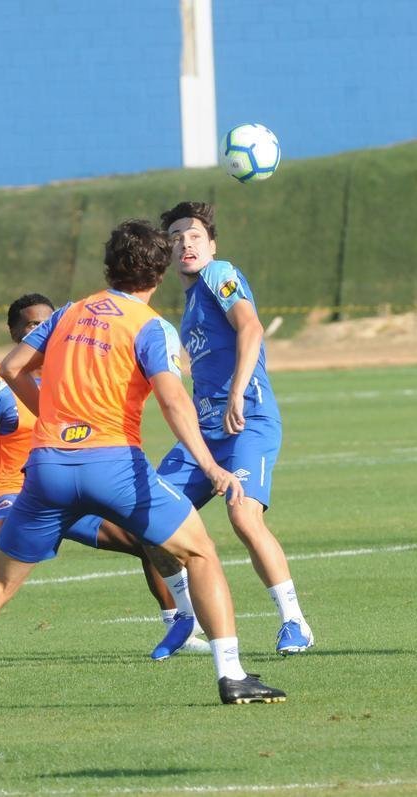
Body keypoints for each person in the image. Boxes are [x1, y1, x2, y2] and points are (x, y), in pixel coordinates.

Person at [0, 220, 285, 715]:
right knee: (200, 553)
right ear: (159, 273)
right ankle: (232, 675)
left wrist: (51, 417)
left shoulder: (67, 312)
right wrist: (211, 464)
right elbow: (173, 401)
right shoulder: (151, 326)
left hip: (47, 469)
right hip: (114, 465)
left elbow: (10, 368)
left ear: (108, 265)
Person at [0, 294, 204, 651]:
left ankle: (178, 625)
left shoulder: (75, 370)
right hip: (15, 488)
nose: (41, 328)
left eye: (47, 321)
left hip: (76, 478)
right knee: (0, 545)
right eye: (31, 324)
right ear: (15, 333)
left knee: (147, 538)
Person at [157, 200, 313, 655]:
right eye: (177, 238)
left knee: (243, 514)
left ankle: (295, 622)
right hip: (205, 434)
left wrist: (239, 392)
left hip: (248, 421)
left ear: (211, 245)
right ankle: (186, 619)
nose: (185, 244)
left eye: (195, 236)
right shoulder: (187, 306)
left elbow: (251, 328)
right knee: (149, 515)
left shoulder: (219, 273)